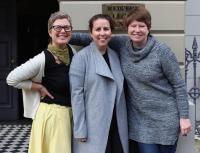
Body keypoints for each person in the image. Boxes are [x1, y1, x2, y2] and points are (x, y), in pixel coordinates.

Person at [69, 6, 192, 153]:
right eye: (133, 26)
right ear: (127, 28)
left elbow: (178, 85)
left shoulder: (162, 51)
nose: (137, 30)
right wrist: (63, 35)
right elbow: (96, 37)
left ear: (149, 28)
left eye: (142, 26)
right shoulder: (122, 44)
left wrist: (184, 117)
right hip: (139, 122)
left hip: (165, 119)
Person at [6, 11, 76, 153]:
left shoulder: (72, 52)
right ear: (50, 32)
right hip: (53, 117)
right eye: (58, 27)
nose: (63, 31)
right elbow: (11, 79)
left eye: (67, 28)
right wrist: (37, 86)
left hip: (68, 115)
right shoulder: (42, 58)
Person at [69, 14, 128, 153]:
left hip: (117, 125)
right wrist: (80, 130)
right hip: (93, 126)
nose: (102, 33)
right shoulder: (81, 57)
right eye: (98, 29)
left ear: (111, 32)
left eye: (106, 29)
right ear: (91, 33)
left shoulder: (115, 55)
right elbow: (76, 96)